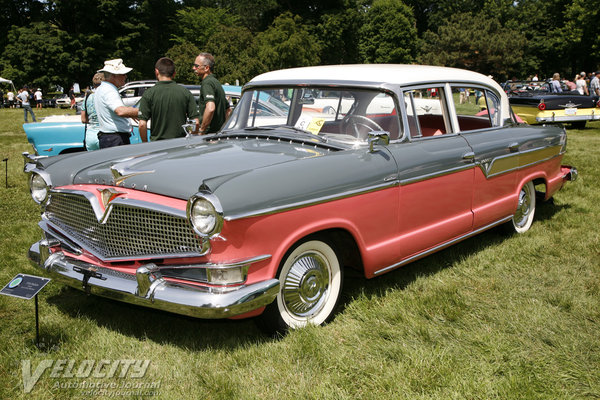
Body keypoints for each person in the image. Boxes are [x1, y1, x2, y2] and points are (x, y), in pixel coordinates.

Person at [139, 57, 200, 142]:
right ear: (174, 74)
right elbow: (196, 122)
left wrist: (145, 144)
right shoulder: (185, 93)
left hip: (157, 146)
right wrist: (192, 140)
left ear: (156, 72)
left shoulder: (149, 94)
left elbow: (142, 124)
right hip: (180, 144)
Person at [94, 58, 139, 148]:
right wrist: (141, 112)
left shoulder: (102, 88)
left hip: (110, 138)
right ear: (113, 75)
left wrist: (131, 113)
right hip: (115, 139)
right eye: (123, 74)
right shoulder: (109, 90)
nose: (125, 76)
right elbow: (120, 111)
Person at [192, 52, 231, 134]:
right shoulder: (216, 82)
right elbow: (228, 110)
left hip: (208, 135)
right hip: (218, 134)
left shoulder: (207, 83)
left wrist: (202, 130)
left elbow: (210, 108)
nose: (193, 68)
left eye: (196, 66)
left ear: (206, 68)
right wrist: (224, 129)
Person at [81, 73, 105, 151]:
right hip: (104, 134)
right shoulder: (106, 96)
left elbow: (83, 119)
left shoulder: (87, 97)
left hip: (90, 135)